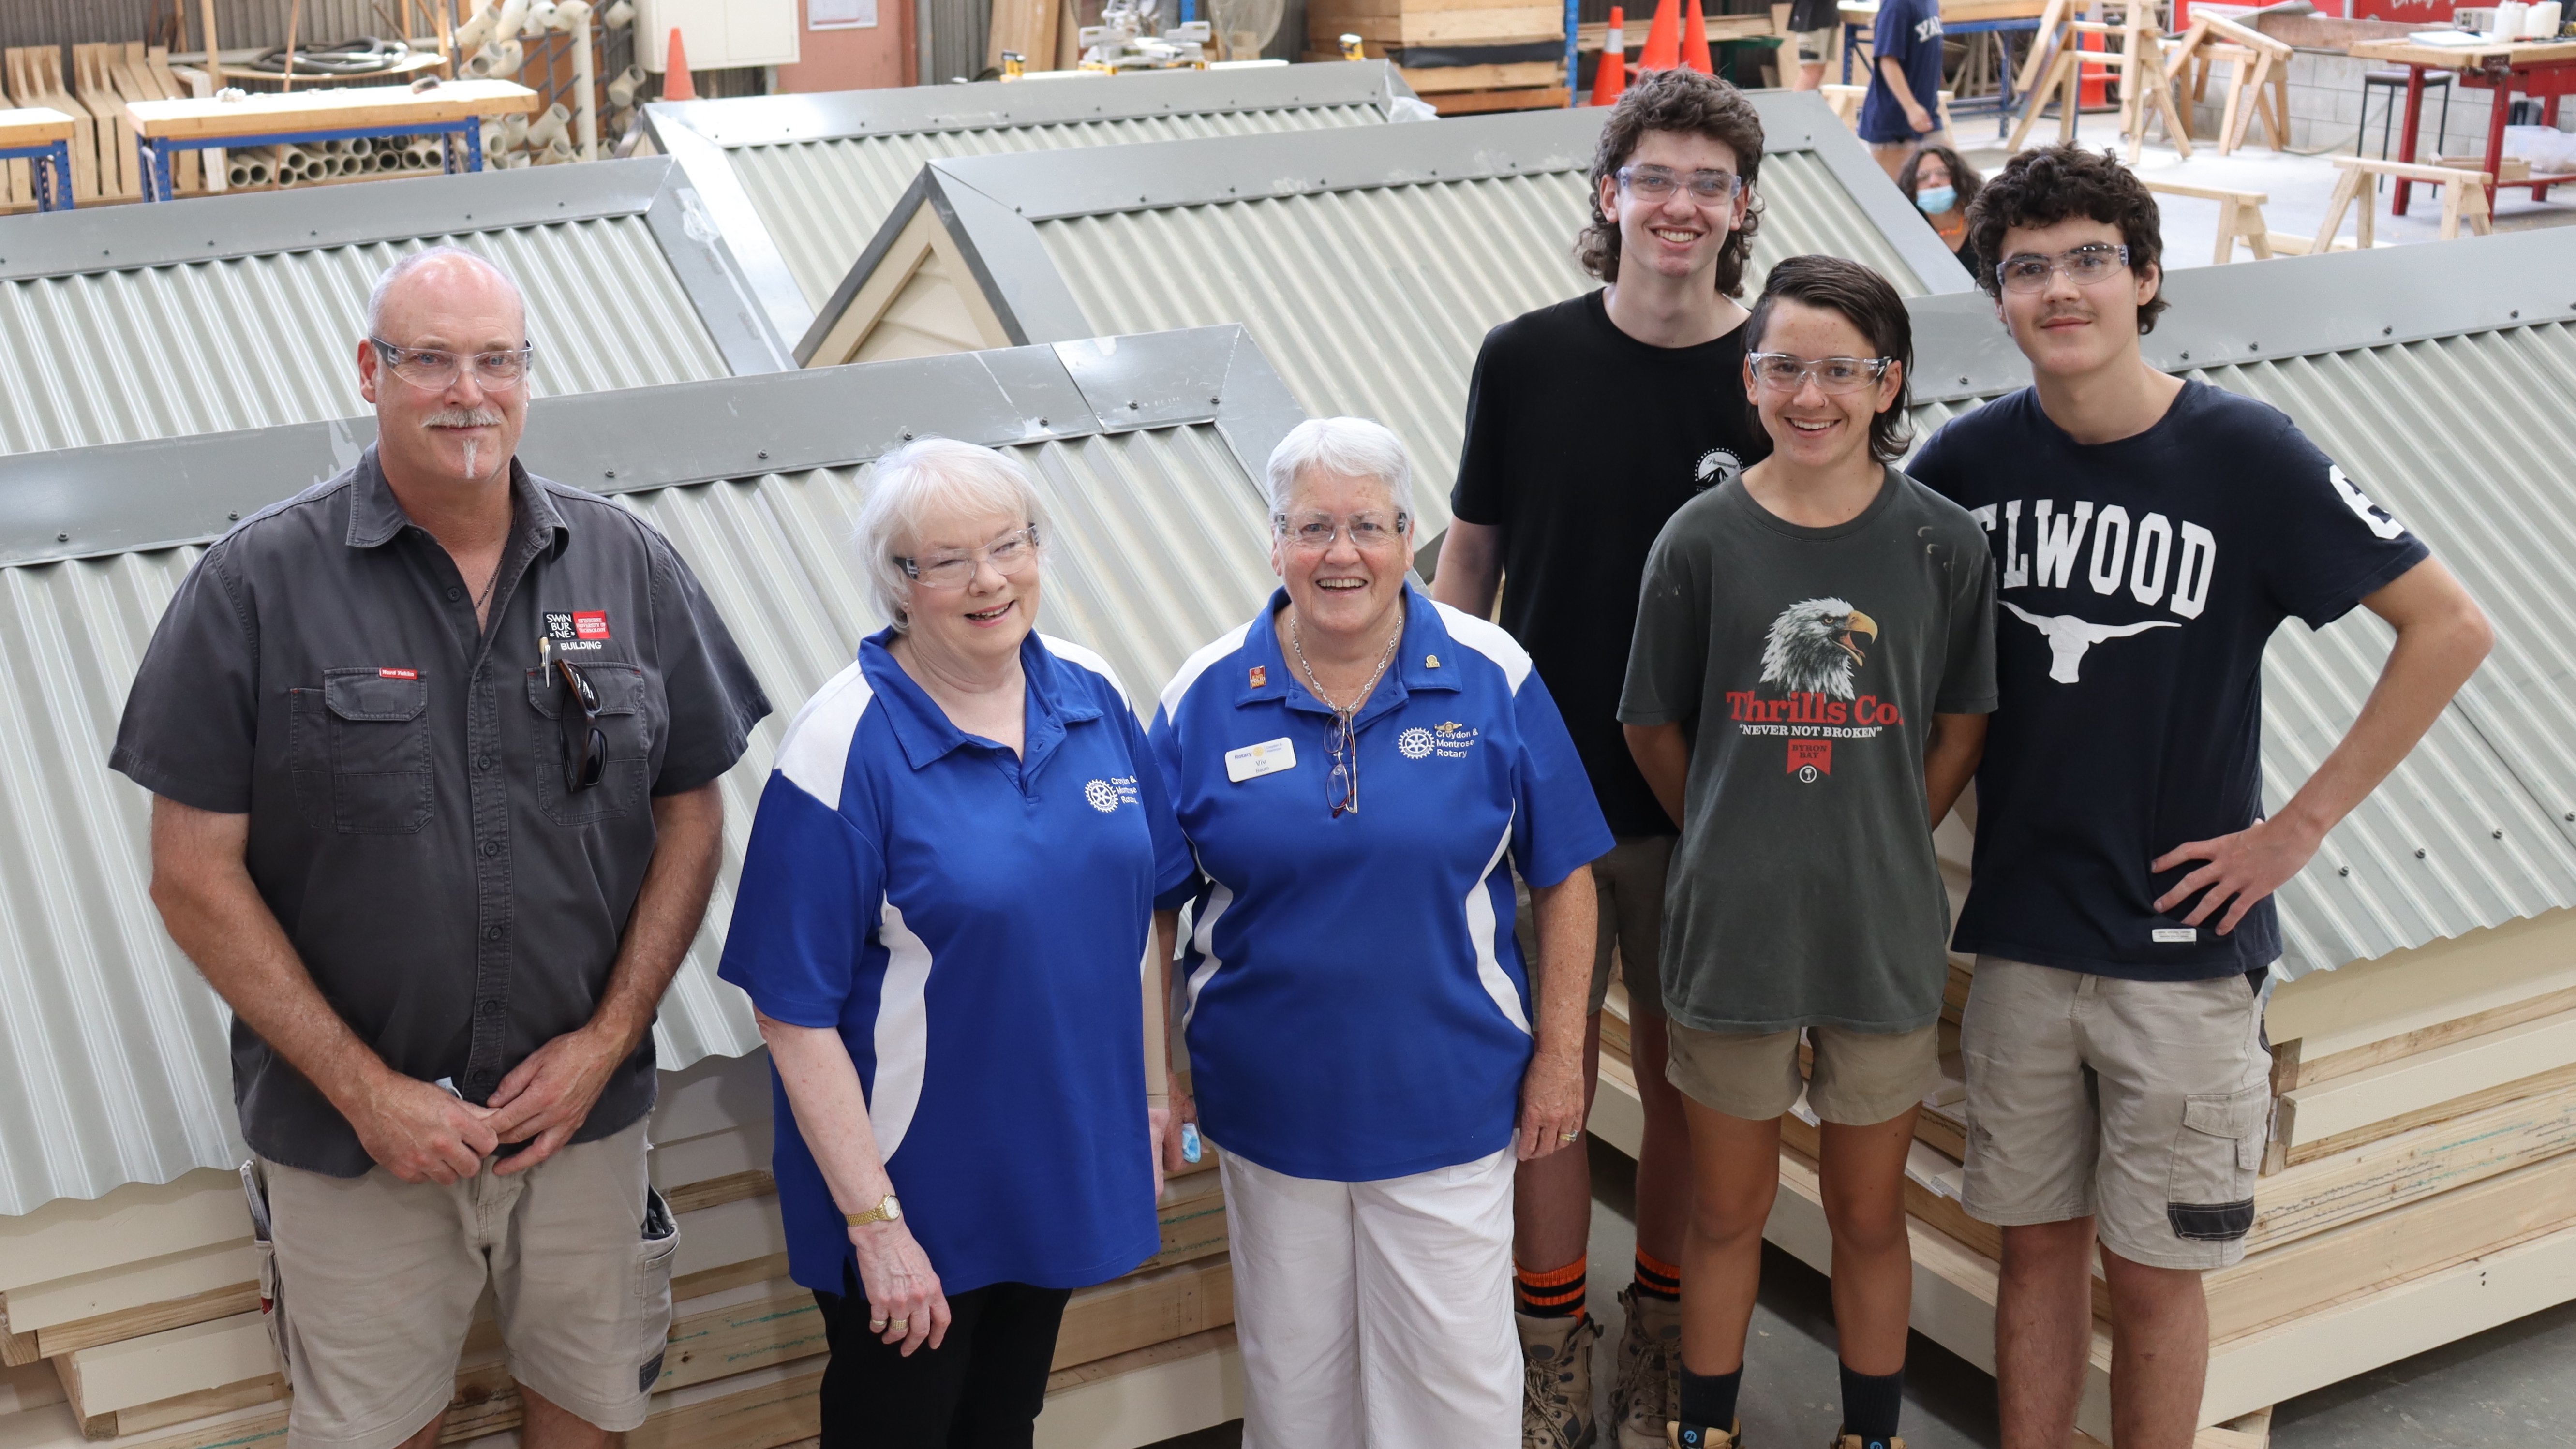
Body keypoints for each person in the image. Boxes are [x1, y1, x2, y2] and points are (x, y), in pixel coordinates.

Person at [115, 247, 770, 1449]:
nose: (468, 392)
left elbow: (692, 814)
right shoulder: (256, 586)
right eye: (430, 361)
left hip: (581, 1125)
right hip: (348, 1146)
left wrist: (609, 1040)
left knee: (592, 1415)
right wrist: (368, 1094)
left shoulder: (629, 566)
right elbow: (189, 874)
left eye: (496, 361)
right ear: (370, 373)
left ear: (527, 376)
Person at [1906, 146, 2494, 1449]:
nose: (2060, 290)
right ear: (1996, 298)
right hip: (2016, 938)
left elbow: (2448, 625)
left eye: (2089, 261)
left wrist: (2298, 828)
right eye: (2026, 269)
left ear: (2145, 278)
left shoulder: (2244, 454)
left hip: (2180, 951)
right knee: (2035, 1257)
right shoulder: (1964, 465)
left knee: (2158, 1279)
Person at [716, 438, 1194, 1446]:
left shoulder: (1091, 694)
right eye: (945, 560)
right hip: (913, 1192)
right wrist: (876, 1223)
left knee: (1001, 1424)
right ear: (898, 582)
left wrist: (1151, 1099)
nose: (989, 580)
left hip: (1054, 1163)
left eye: (1008, 544)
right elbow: (789, 1009)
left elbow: (1146, 912)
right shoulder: (843, 740)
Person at [1152, 417, 1614, 1449]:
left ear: (1412, 536)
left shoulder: (1492, 674)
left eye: (1368, 525)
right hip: (1267, 1107)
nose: (1341, 553)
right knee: (1297, 1380)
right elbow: (1149, 906)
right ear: (1273, 541)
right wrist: (1158, 1072)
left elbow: (1567, 876)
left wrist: (1560, 1057)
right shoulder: (1202, 696)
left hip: (1446, 1099)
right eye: (1312, 526)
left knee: (1452, 1389)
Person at [1432, 66, 1775, 1449]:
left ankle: (1659, 1335)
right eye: (1654, 177)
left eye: (1708, 182)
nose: (1678, 205)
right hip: (1538, 800)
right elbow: (1468, 566)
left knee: (1697, 1094)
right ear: (1606, 195)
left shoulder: (1775, 373)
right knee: (1546, 1091)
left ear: (1740, 207)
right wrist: (1437, 745)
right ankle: (1549, 1349)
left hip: (1713, 808)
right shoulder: (1522, 357)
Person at [1621, 254, 1997, 1449]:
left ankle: (1866, 1433)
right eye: (1784, 365)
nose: (1811, 393)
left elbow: (1960, 726)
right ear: (1749, 377)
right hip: (1731, 931)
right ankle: (1708, 1427)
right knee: (1726, 1213)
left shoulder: (1940, 545)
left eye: (1843, 369)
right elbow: (1648, 724)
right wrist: (1733, 821)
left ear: (1888, 385)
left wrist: (1884, 821)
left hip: (1877, 934)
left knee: (1866, 1215)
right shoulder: (1697, 540)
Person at [1857, 0, 1947, 179]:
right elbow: (1888, 61)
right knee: (1898, 198)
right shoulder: (1897, 5)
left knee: (1958, 188)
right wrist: (1911, 107)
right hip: (1895, 122)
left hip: (1927, 116)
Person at [1896, 143, 1986, 286]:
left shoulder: (1985, 223)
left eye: (1943, 173)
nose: (1934, 182)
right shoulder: (1906, 234)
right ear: (1911, 187)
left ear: (1960, 178)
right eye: (1923, 177)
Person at [1786, 0, 1841, 89]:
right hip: (1811, 16)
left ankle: (1806, 103)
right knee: (1811, 71)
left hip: (1827, 13)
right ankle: (1797, 104)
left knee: (1818, 71)